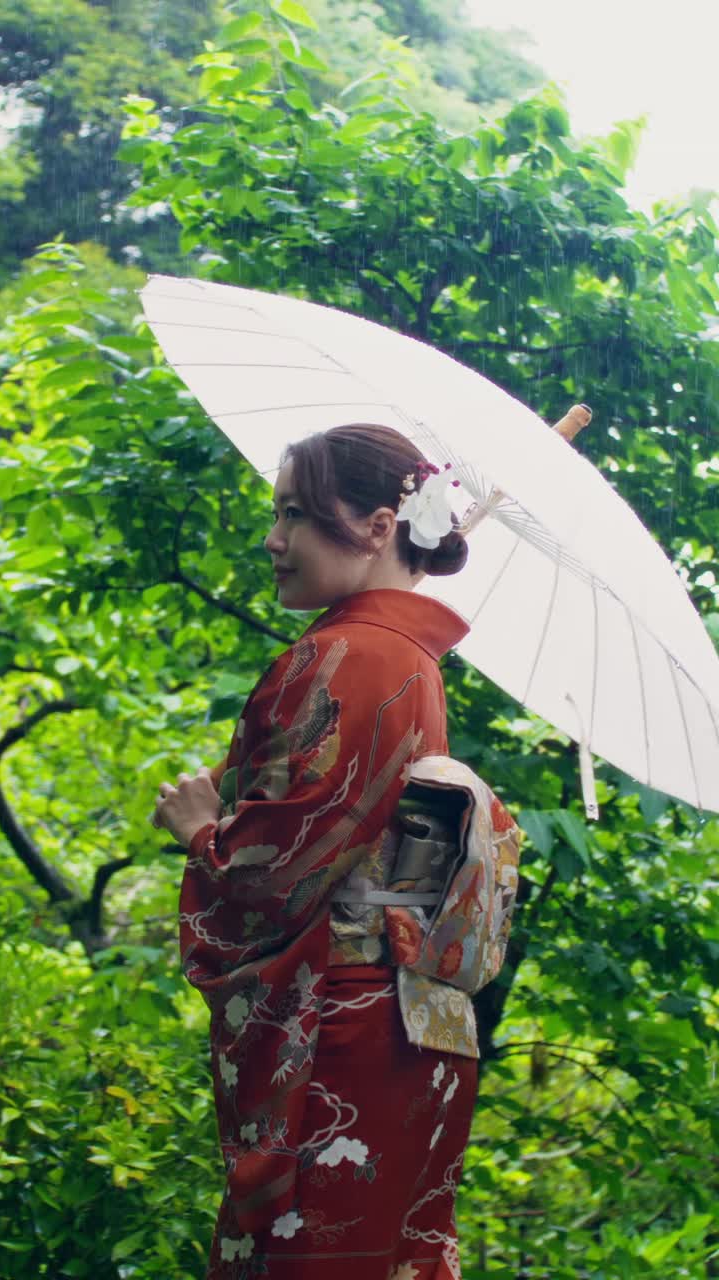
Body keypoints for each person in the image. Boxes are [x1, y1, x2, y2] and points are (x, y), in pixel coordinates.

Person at [151, 423, 518, 1280]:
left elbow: (271, 883)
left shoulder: (342, 655)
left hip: (335, 1023)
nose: (274, 540)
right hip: (403, 1025)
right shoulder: (408, 662)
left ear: (381, 526)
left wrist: (202, 831)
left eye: (297, 515)